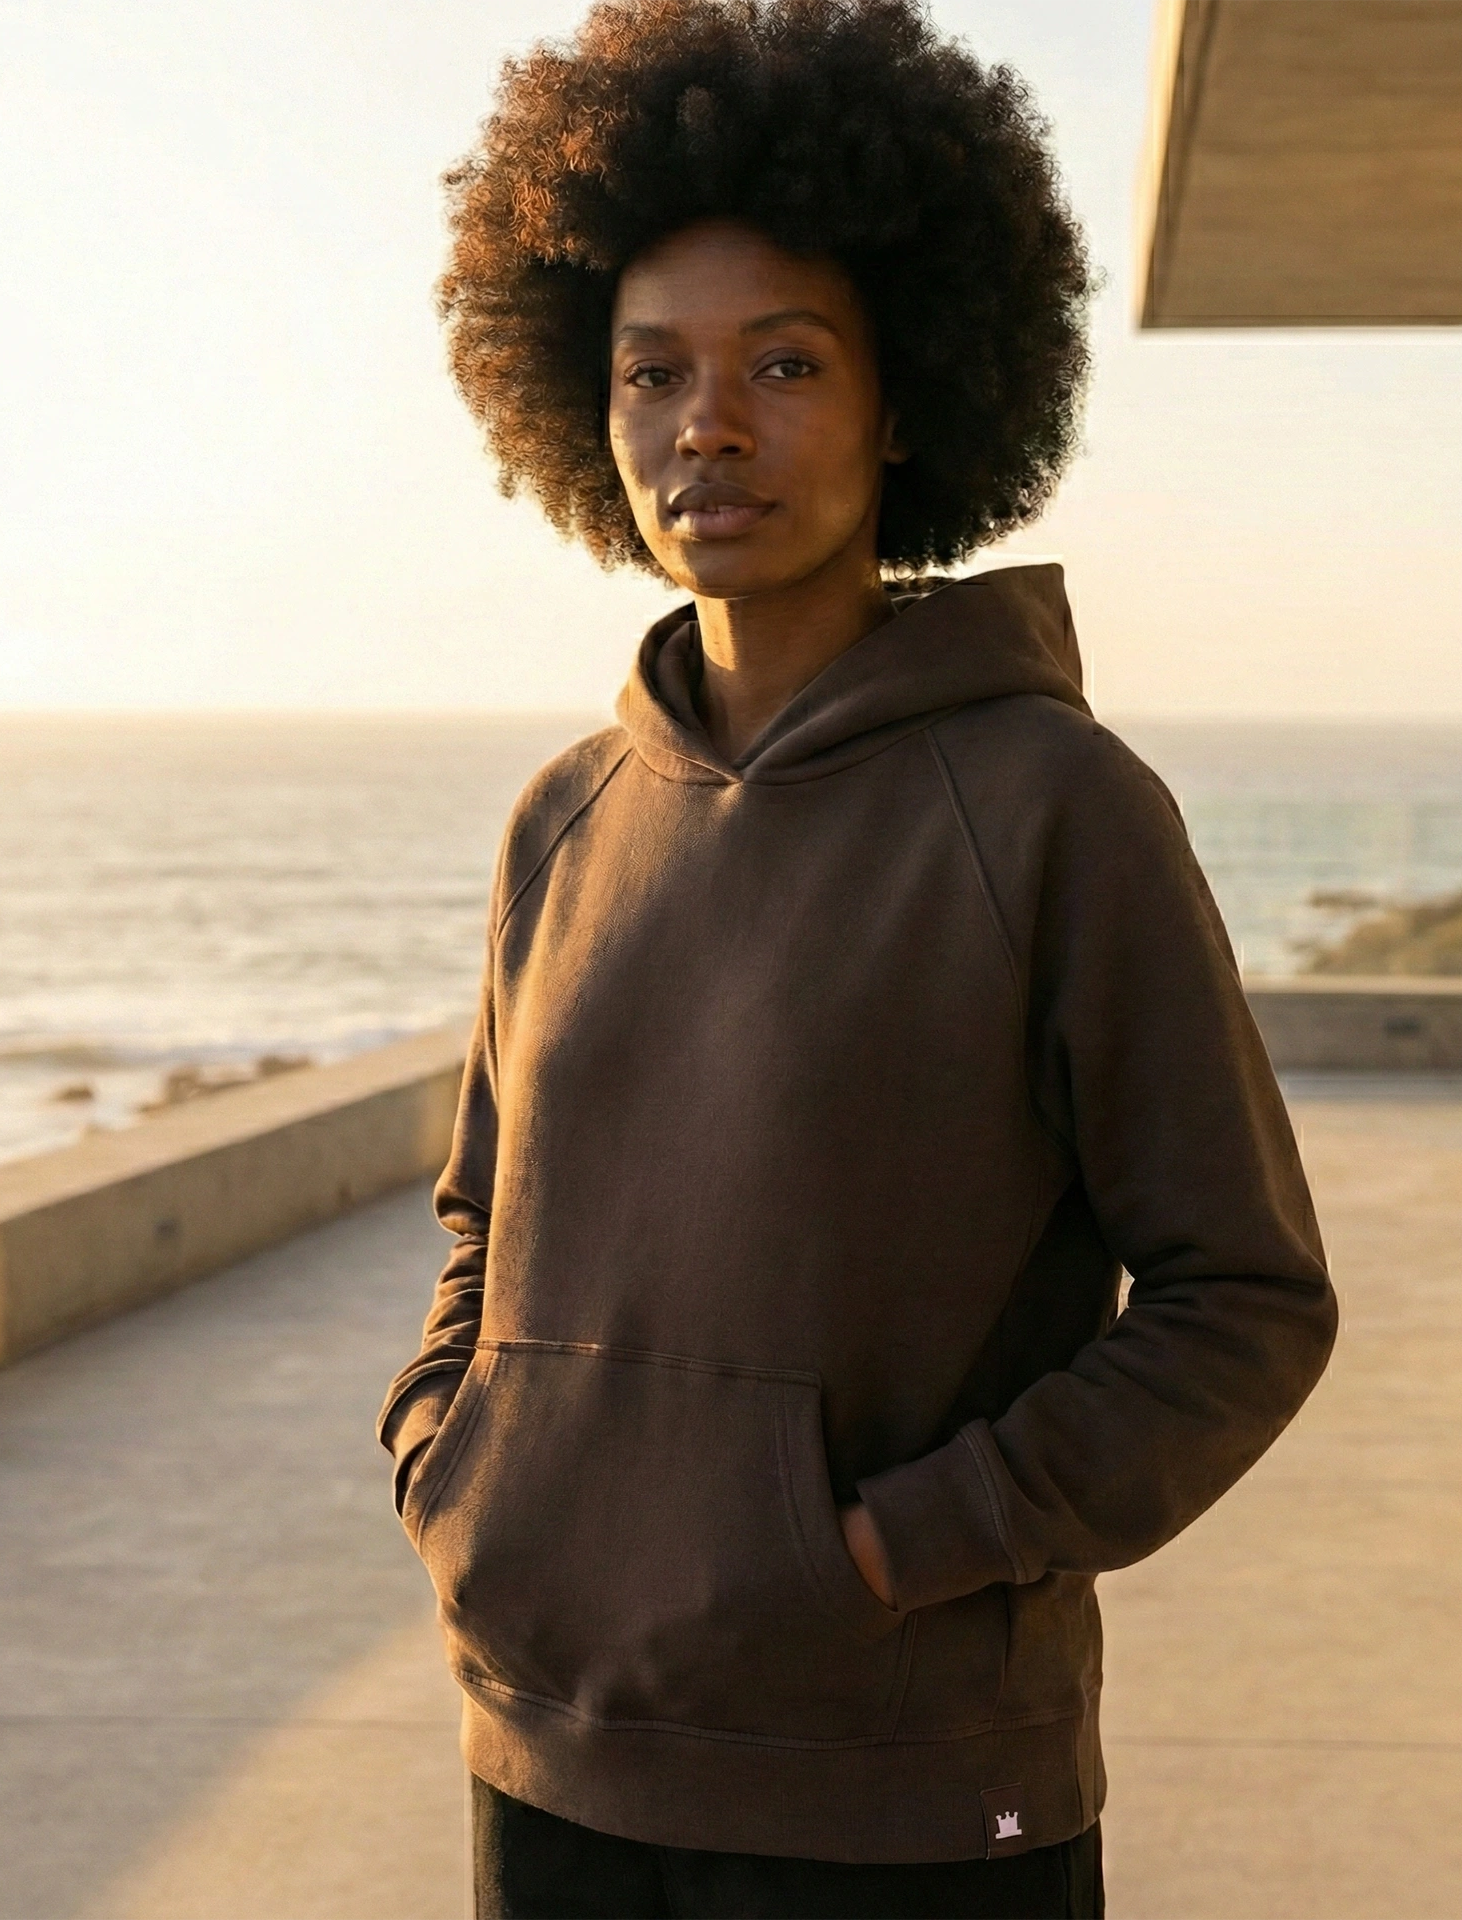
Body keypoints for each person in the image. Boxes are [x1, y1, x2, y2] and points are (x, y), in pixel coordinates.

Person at [378, 2, 1338, 1913]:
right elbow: (483, 1220)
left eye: (785, 364)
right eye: (652, 372)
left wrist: (896, 1553)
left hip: (904, 1801)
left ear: (907, 402)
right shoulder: (564, 814)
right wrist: (455, 1467)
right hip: (548, 1746)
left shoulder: (1054, 807)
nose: (706, 425)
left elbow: (1246, 1301)